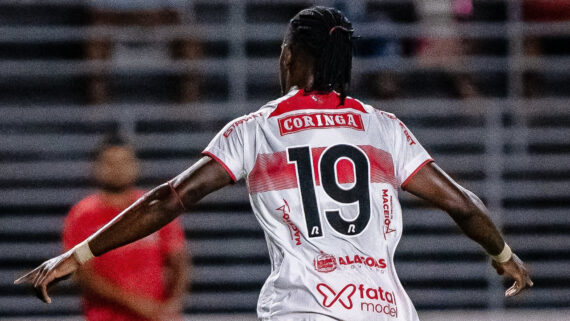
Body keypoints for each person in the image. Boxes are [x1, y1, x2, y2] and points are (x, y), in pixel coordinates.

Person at [16, 6, 532, 321]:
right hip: (386, 310)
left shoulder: (258, 128)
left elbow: (167, 198)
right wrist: (503, 253)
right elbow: (463, 204)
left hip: (302, 308)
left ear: (291, 57)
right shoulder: (384, 128)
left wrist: (75, 257)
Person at [62, 134, 188, 321]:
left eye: (124, 162)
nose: (117, 169)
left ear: (136, 165)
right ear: (96, 168)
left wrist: (172, 305)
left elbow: (180, 261)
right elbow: (83, 275)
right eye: (110, 163)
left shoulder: (156, 207)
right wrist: (136, 303)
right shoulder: (82, 215)